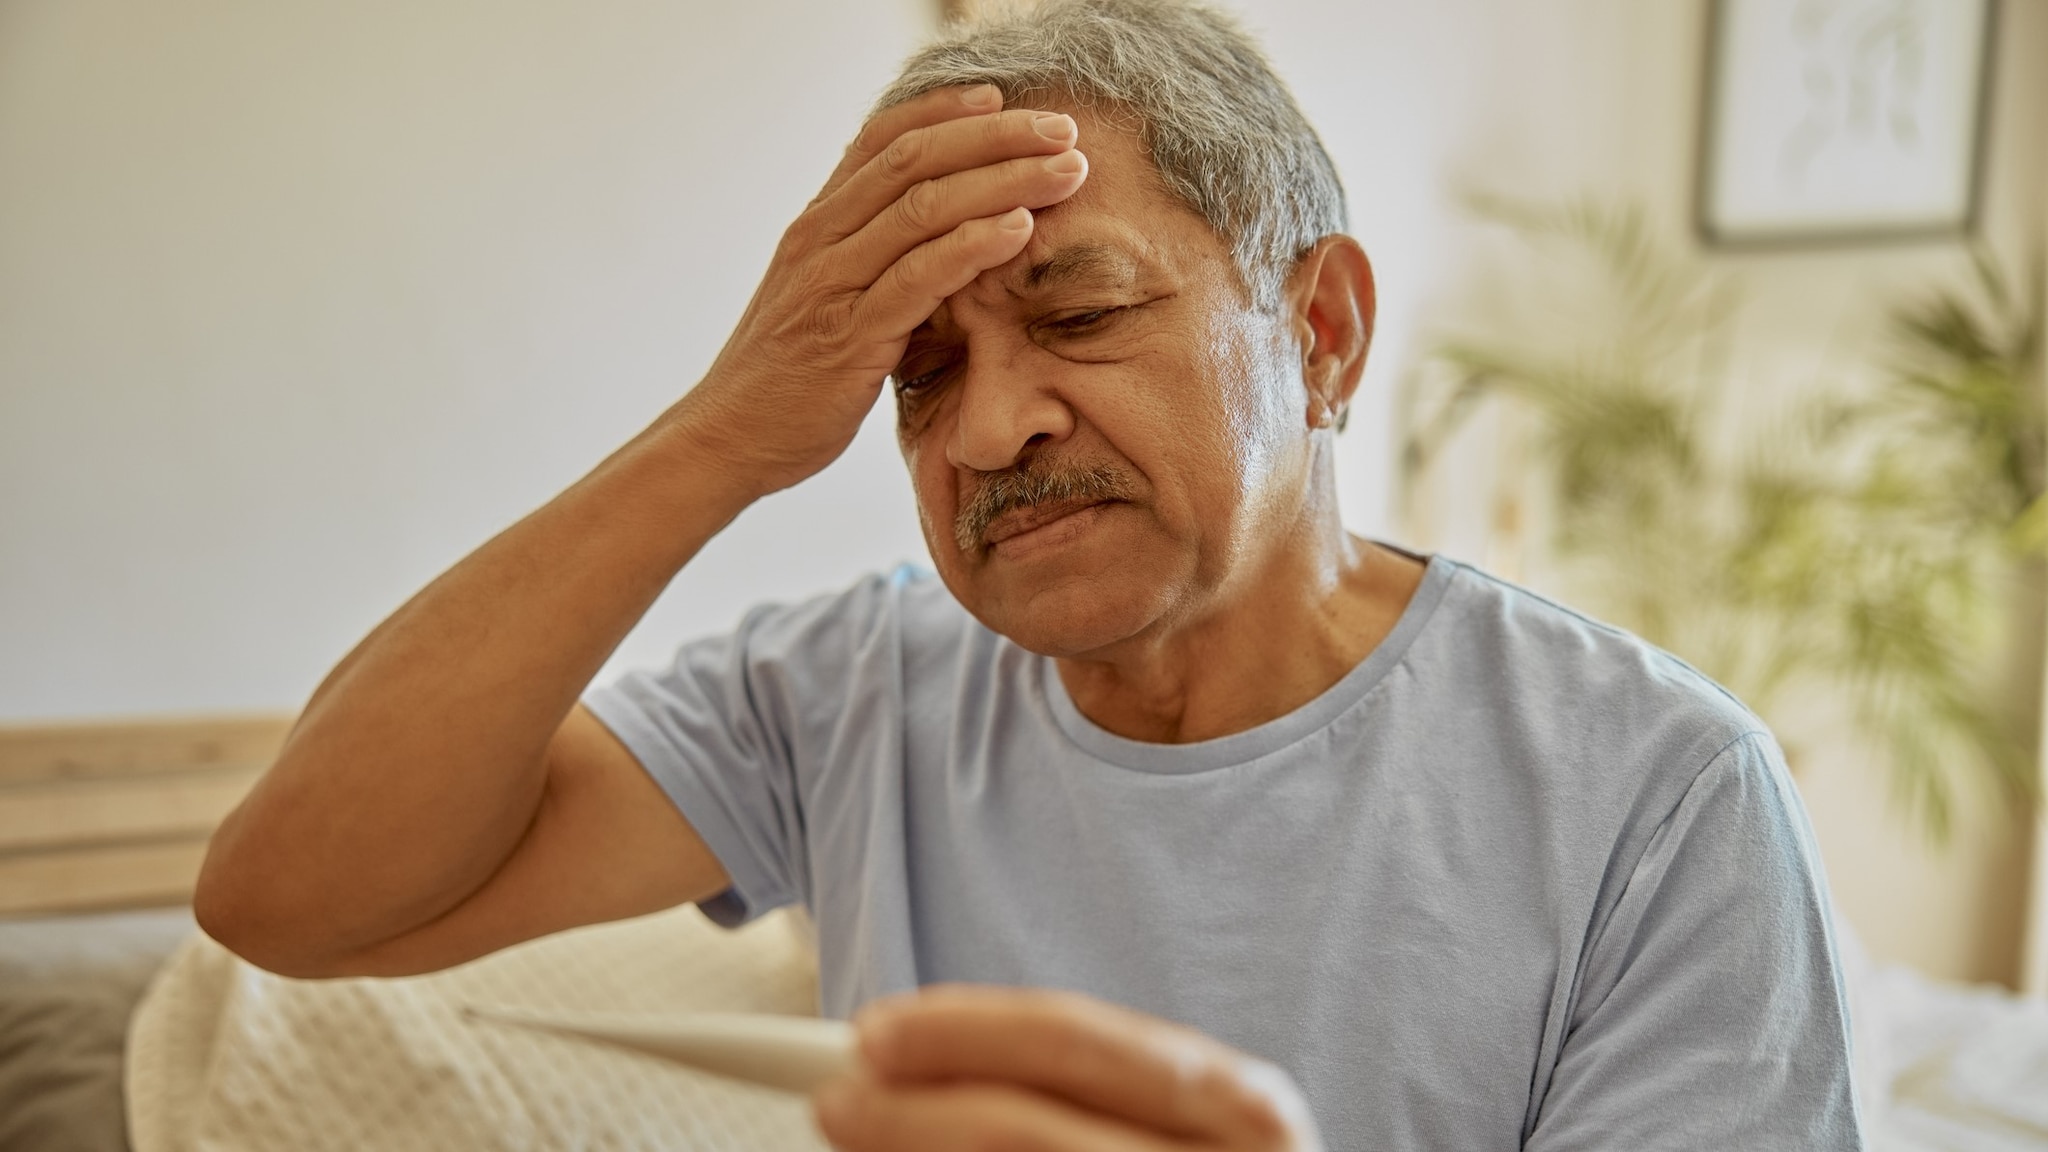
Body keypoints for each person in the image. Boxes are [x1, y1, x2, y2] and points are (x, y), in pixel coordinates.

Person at [195, 1, 1864, 1148]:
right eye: (917, 369)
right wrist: (723, 433)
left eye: (1078, 315)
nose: (988, 424)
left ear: (1323, 329)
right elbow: (290, 900)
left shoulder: (1660, 794)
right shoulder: (848, 696)